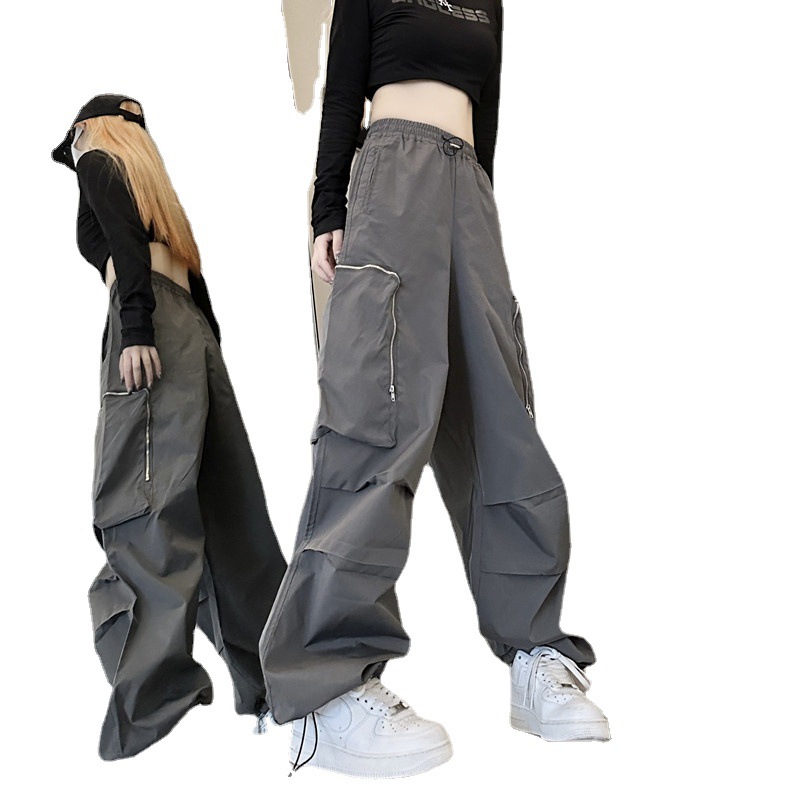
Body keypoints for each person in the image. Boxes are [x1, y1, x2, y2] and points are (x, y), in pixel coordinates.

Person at [260, 0, 612, 777]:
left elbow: (490, 119)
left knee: (500, 419)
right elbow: (342, 91)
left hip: (470, 193)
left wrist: (478, 217)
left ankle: (534, 652)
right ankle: (326, 688)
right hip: (390, 179)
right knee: (377, 415)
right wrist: (327, 208)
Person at [52, 94, 288, 761]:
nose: (73, 153)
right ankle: (283, 681)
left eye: (74, 140)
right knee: (232, 521)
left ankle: (152, 696)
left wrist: (134, 328)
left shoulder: (96, 158)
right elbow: (196, 291)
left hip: (151, 330)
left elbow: (123, 249)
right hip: (193, 339)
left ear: (89, 130)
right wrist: (203, 363)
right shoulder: (158, 195)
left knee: (140, 508)